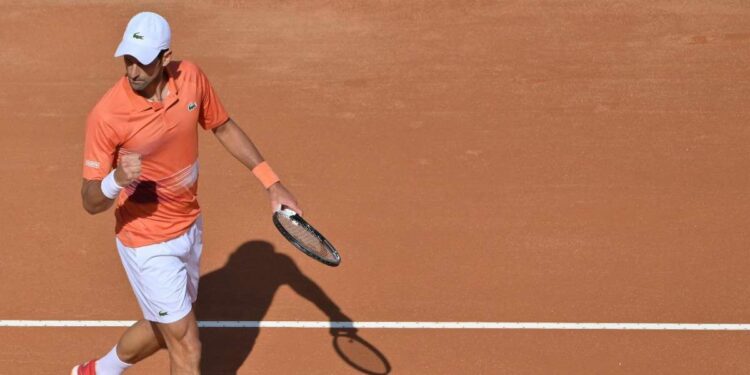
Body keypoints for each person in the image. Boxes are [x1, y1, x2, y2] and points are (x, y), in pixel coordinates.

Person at [73, 11, 302, 375]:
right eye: (127, 60)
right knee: (187, 345)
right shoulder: (107, 115)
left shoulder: (191, 78)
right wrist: (115, 179)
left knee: (165, 329)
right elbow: (89, 200)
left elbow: (223, 127)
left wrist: (271, 183)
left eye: (142, 62)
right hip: (145, 241)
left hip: (189, 224)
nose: (132, 71)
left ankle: (97, 371)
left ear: (166, 59)